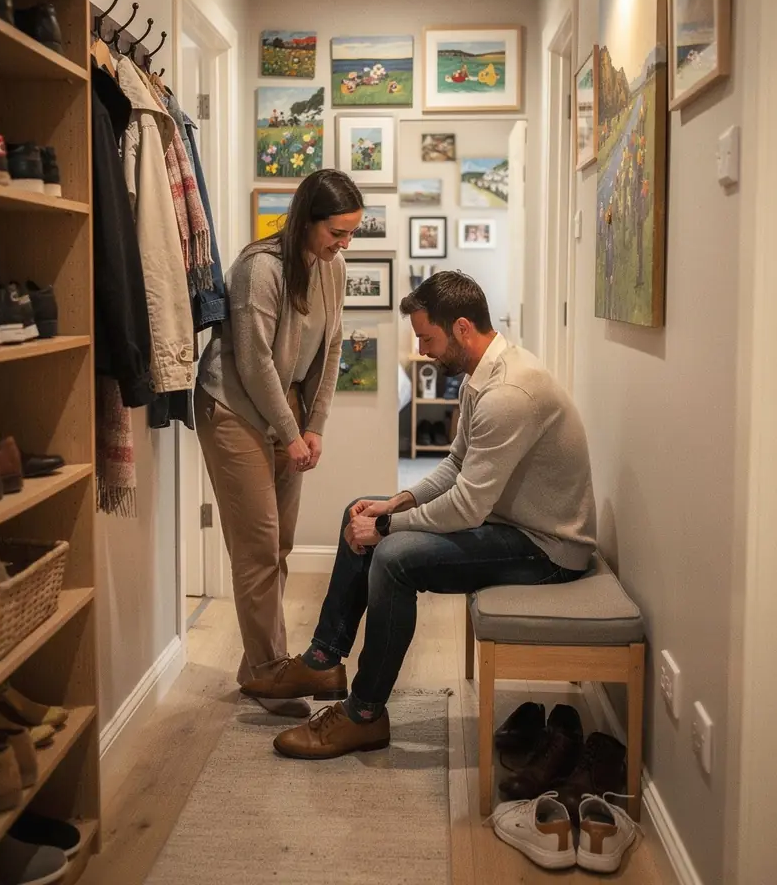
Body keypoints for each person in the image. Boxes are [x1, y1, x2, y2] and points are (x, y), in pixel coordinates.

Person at [241, 270, 598, 757]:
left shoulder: (509, 395)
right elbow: (455, 465)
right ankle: (324, 660)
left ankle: (365, 714)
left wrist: (386, 527)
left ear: (462, 328)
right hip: (511, 523)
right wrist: (394, 504)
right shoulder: (483, 377)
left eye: (427, 338)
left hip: (548, 549)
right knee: (357, 511)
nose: (422, 350)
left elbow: (467, 506)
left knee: (394, 558)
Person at [196, 169, 364, 717]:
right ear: (307, 220)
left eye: (351, 233)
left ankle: (256, 669)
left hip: (284, 409)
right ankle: (270, 672)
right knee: (258, 546)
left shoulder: (332, 268)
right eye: (337, 232)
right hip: (233, 408)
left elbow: (332, 347)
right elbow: (253, 362)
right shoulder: (259, 268)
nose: (345, 244)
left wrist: (314, 426)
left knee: (281, 544)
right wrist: (291, 433)